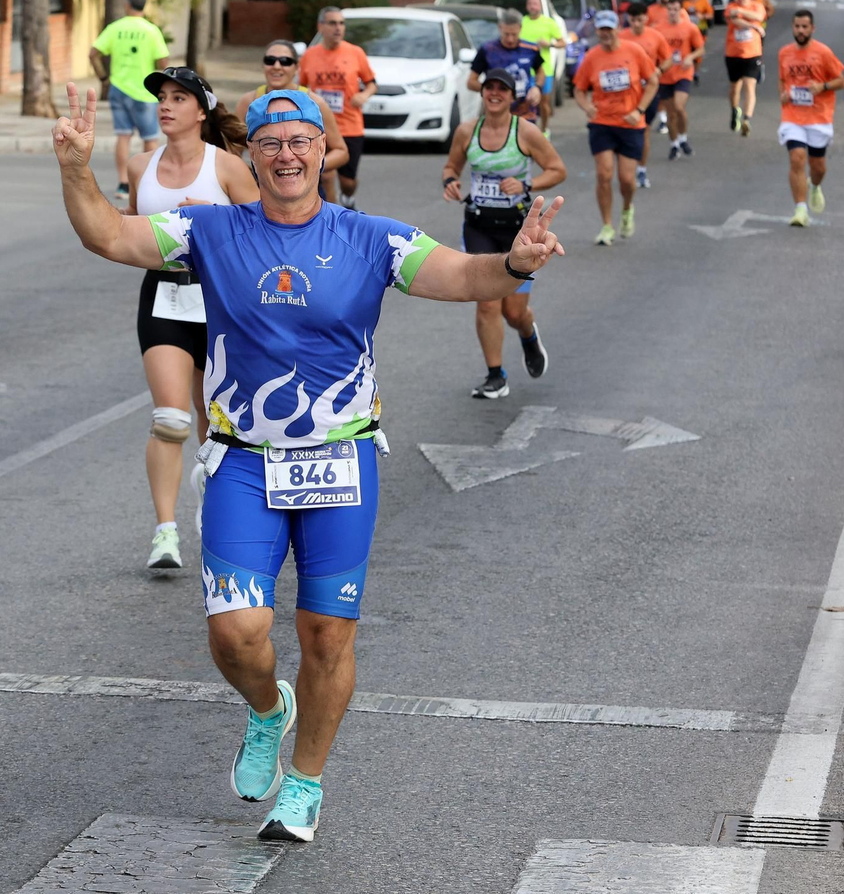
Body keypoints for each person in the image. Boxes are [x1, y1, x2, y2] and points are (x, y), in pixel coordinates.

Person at [52, 82, 564, 842]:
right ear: (249, 155)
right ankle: (267, 710)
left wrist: (514, 264)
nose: (287, 155)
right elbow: (109, 236)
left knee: (327, 635)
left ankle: (306, 781)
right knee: (236, 631)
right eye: (270, 143)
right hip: (245, 460)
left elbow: (460, 275)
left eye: (301, 141)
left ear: (325, 150)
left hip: (340, 460)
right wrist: (74, 168)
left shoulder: (371, 238)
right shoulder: (210, 231)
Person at [127, 67, 260, 567]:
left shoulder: (226, 167)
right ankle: (165, 532)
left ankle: (216, 507)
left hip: (220, 302)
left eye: (178, 97)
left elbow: (262, 236)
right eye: (162, 97)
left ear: (200, 111)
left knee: (216, 423)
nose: (165, 105)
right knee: (171, 419)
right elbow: (132, 235)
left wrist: (215, 219)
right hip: (163, 295)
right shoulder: (141, 165)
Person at [443, 69, 566, 400]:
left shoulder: (525, 132)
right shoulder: (467, 130)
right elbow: (451, 166)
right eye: (489, 88)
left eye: (502, 89)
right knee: (486, 303)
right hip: (479, 225)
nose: (494, 93)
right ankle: (495, 375)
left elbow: (557, 169)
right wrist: (450, 182)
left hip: (517, 232)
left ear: (513, 97)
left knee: (513, 312)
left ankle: (527, 334)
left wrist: (526, 184)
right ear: (482, 93)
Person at [574, 10, 659, 245]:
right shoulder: (592, 57)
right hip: (602, 123)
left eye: (609, 29)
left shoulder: (633, 52)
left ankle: (627, 209)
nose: (605, 34)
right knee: (604, 174)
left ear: (617, 29)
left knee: (627, 180)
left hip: (630, 124)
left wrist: (639, 110)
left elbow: (653, 81)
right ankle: (606, 226)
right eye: (601, 29)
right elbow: (579, 89)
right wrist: (586, 106)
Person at [233, 41, 350, 193]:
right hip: (262, 188)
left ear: (296, 67)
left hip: (305, 190)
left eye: (285, 61)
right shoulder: (248, 102)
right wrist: (249, 173)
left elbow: (341, 151)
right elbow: (233, 151)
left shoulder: (314, 102)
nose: (276, 66)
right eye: (270, 60)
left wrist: (306, 166)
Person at [90, 0, 169, 201]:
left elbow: (93, 54)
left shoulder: (115, 28)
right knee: (150, 139)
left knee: (123, 136)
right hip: (146, 93)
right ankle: (146, 183)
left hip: (119, 89)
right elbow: (163, 61)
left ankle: (123, 184)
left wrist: (104, 78)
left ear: (127, 5)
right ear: (144, 6)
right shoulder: (151, 30)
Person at [300, 6, 377, 208]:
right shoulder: (310, 55)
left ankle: (348, 199)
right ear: (321, 26)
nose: (338, 28)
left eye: (341, 23)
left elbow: (372, 83)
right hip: (320, 125)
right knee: (325, 172)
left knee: (348, 182)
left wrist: (364, 94)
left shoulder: (355, 53)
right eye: (333, 23)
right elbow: (301, 87)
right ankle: (330, 216)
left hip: (350, 126)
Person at [778, 10, 844, 227]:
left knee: (818, 167)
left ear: (812, 29)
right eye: (797, 26)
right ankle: (800, 210)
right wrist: (783, 94)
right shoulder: (784, 53)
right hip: (793, 116)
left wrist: (822, 86)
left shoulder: (823, 52)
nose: (800, 31)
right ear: (793, 27)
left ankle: (814, 186)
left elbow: (841, 81)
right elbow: (782, 80)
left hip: (819, 116)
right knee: (796, 158)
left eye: (804, 27)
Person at [618, 3, 673, 189]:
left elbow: (668, 59)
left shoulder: (655, 36)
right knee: (623, 131)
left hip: (648, 92)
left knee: (644, 131)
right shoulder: (621, 37)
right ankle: (626, 168)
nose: (636, 24)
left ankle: (641, 169)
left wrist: (658, 70)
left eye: (640, 19)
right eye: (632, 20)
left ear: (646, 19)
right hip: (625, 94)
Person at [469, 10, 546, 125]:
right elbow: (471, 82)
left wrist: (537, 88)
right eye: (506, 34)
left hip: (525, 112)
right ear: (500, 28)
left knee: (526, 141)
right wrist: (493, 92)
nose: (510, 39)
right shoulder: (487, 50)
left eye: (514, 34)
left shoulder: (531, 49)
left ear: (520, 28)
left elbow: (541, 72)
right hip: (496, 113)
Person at [656, 0, 705, 160]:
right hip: (665, 76)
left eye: (676, 9)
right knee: (671, 114)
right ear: (666, 11)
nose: (672, 13)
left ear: (680, 10)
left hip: (683, 73)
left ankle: (683, 137)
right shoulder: (659, 29)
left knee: (678, 106)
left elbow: (700, 49)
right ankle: (674, 144)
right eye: (670, 10)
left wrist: (690, 57)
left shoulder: (690, 28)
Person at [519, 0, 568, 135]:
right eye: (530, 4)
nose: (532, 6)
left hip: (544, 70)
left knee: (544, 103)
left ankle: (544, 129)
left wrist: (550, 44)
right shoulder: (522, 22)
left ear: (540, 6)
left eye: (535, 3)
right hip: (525, 71)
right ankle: (525, 132)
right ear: (527, 6)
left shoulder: (549, 23)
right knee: (523, 103)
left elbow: (563, 43)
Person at [725, 0, 768, 136]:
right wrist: (752, 26)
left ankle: (746, 120)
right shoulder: (731, 6)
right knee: (734, 88)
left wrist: (742, 12)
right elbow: (734, 19)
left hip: (753, 53)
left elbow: (759, 17)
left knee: (750, 86)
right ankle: (734, 109)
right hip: (733, 53)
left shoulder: (757, 6)